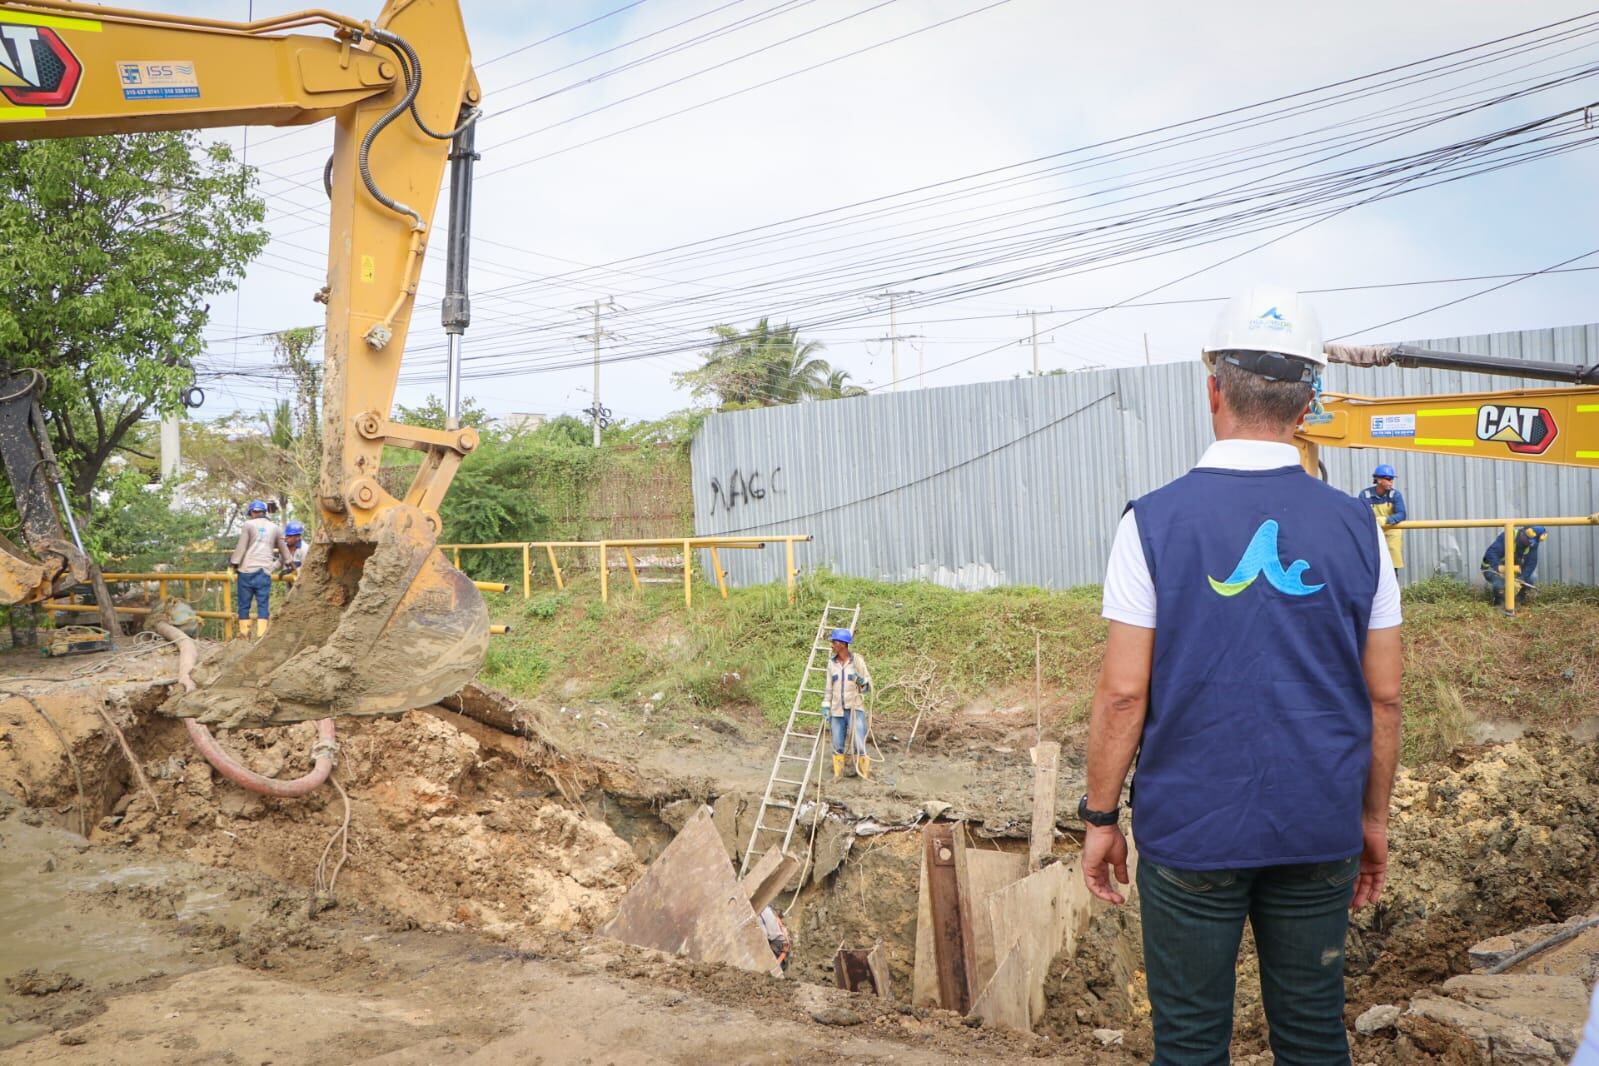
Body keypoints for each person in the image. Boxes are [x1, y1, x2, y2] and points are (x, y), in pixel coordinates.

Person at [1084, 287, 1404, 1065]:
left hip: (1190, 832)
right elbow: (1384, 696)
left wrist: (1098, 819)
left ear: (1212, 391)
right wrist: (1371, 819)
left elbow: (1123, 694)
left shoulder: (1150, 523)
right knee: (1312, 1037)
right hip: (1318, 824)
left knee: (1189, 1045)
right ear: (1308, 402)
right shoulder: (1359, 528)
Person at [229, 500, 291, 638]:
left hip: (246, 571)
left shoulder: (248, 525)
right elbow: (285, 551)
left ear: (252, 512)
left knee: (244, 605)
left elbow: (241, 547)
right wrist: (292, 567)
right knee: (263, 605)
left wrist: (233, 565)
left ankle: (244, 635)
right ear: (264, 512)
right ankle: (261, 636)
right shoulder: (275, 528)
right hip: (264, 571)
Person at [822, 628, 874, 780]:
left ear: (843, 644)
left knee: (859, 743)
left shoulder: (857, 661)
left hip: (855, 708)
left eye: (834, 642)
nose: (832, 645)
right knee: (837, 743)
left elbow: (868, 686)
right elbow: (829, 687)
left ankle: (864, 775)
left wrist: (862, 682)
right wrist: (826, 705)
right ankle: (838, 775)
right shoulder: (831, 664)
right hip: (837, 709)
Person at [1481, 526, 1547, 610]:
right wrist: (1499, 568)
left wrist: (1521, 579)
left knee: (1531, 577)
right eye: (1528, 540)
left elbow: (1531, 563)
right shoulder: (1509, 535)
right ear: (1523, 533)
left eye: (1532, 542)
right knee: (1500, 583)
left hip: (1513, 569)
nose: (1530, 544)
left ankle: (1518, 601)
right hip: (1492, 568)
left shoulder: (1532, 543)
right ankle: (1499, 605)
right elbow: (1491, 553)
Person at [1358, 463, 1407, 573]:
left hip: (1391, 531)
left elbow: (1402, 514)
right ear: (1378, 480)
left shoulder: (1395, 495)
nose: (1391, 482)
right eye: (1388, 479)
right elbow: (1360, 514)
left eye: (1392, 479)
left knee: (1392, 560)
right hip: (1372, 531)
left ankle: (1393, 579)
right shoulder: (1365, 495)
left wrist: (1386, 520)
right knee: (1372, 560)